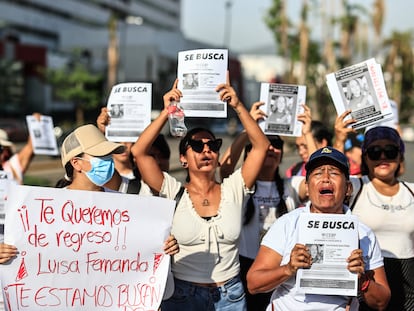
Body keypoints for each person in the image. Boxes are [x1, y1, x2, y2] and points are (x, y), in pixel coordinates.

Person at [131, 76, 270, 311]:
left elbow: (261, 146)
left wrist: (237, 105)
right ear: (183, 159)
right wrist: (167, 112)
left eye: (213, 145)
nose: (206, 150)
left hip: (231, 297)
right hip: (182, 298)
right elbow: (140, 152)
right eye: (197, 146)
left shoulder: (234, 187)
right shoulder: (171, 191)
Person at [247, 146, 391, 310]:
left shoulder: (363, 234)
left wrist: (363, 280)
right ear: (307, 187)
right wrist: (288, 269)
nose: (326, 178)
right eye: (318, 173)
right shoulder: (287, 224)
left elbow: (381, 301)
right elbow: (253, 284)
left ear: (348, 188)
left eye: (334, 173)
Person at [220, 101, 295, 311]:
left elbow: (320, 177)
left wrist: (306, 132)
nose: (271, 148)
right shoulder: (240, 185)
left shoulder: (293, 186)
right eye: (264, 143)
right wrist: (247, 128)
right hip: (244, 268)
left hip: (281, 270)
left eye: (277, 144)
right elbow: (224, 168)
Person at [339, 125, 413, 311]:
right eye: (374, 152)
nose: (382, 157)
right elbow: (333, 176)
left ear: (400, 155)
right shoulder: (355, 187)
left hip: (408, 282)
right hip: (366, 279)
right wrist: (340, 139)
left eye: (390, 151)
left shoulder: (412, 191)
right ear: (364, 157)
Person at [96, 106, 171, 194]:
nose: (123, 145)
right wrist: (100, 133)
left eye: (128, 139)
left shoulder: (145, 175)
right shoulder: (103, 175)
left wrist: (166, 112)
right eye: (116, 140)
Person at [285, 108, 332, 178]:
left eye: (305, 146)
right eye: (298, 147)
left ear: (323, 143)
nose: (301, 152)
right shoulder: (293, 171)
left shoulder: (337, 169)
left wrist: (307, 133)